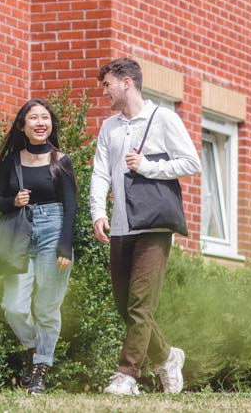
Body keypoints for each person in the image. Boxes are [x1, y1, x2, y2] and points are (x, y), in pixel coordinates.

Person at [90, 57, 200, 395]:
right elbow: (100, 172)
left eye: (107, 84)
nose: (104, 91)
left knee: (140, 304)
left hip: (153, 226)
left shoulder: (163, 118)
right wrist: (97, 211)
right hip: (121, 227)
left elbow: (191, 162)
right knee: (126, 306)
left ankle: (127, 375)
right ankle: (167, 357)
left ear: (126, 82)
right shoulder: (109, 127)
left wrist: (147, 166)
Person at [0, 99, 78, 394]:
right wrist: (13, 201)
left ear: (51, 124)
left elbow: (71, 206)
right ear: (22, 126)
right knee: (13, 306)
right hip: (20, 233)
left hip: (54, 229)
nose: (40, 123)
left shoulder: (61, 160)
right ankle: (35, 351)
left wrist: (65, 246)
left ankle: (40, 370)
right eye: (33, 118)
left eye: (45, 118)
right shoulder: (12, 162)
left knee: (47, 307)